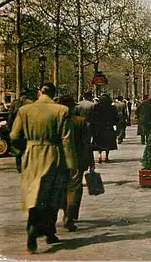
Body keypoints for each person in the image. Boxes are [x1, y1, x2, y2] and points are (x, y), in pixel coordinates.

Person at [10, 83, 77, 253]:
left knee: (34, 194)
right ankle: (49, 231)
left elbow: (14, 136)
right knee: (53, 195)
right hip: (54, 155)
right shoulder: (61, 110)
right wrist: (71, 164)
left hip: (31, 155)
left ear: (40, 92)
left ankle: (32, 228)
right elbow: (66, 140)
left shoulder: (25, 110)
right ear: (54, 94)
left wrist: (22, 152)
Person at [56, 95, 94, 232]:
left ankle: (61, 212)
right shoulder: (80, 121)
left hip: (58, 161)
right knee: (75, 189)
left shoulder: (56, 121)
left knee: (60, 187)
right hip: (77, 160)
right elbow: (86, 144)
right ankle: (69, 216)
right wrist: (91, 161)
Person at [91, 94, 118, 163]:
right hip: (108, 127)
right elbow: (115, 118)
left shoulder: (96, 107)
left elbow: (93, 117)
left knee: (99, 142)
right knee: (108, 143)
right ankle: (106, 157)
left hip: (99, 128)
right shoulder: (112, 108)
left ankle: (99, 155)